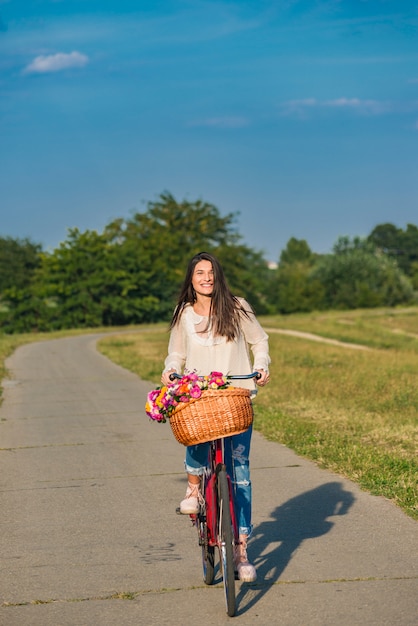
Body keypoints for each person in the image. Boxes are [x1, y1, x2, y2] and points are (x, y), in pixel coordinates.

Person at [161, 251, 270, 582]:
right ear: (191, 280)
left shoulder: (237, 307)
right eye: (199, 273)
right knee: (193, 429)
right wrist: (170, 371)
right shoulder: (184, 314)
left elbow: (259, 341)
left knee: (239, 472)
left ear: (217, 276)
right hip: (200, 393)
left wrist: (261, 366)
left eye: (210, 272)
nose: (206, 277)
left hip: (235, 395)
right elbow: (176, 354)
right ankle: (194, 489)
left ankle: (240, 549)